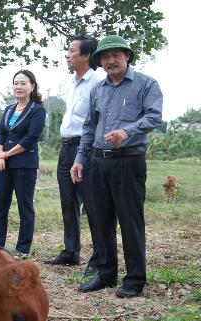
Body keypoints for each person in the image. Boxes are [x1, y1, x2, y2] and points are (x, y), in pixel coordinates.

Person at [71, 35, 162, 298]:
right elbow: (89, 127)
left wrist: (128, 131)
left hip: (129, 160)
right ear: (99, 61)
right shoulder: (98, 89)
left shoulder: (146, 84)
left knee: (130, 220)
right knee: (101, 220)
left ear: (127, 57)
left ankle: (134, 280)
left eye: (116, 55)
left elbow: (154, 116)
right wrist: (80, 159)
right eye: (105, 57)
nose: (110, 60)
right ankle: (106, 273)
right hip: (98, 161)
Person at [44, 34, 101, 278]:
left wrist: (86, 151)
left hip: (86, 146)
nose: (67, 55)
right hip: (66, 147)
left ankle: (100, 258)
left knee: (92, 202)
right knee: (68, 201)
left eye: (71, 50)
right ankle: (70, 251)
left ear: (86, 55)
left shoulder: (98, 81)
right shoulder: (72, 83)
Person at [0, 70, 46, 260]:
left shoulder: (37, 110)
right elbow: (0, 133)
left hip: (25, 164)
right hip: (3, 165)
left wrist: (6, 154)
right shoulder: (8, 109)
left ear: (32, 86)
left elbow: (30, 138)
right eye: (16, 83)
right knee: (0, 205)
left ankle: (22, 248)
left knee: (25, 206)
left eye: (23, 83)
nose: (18, 87)